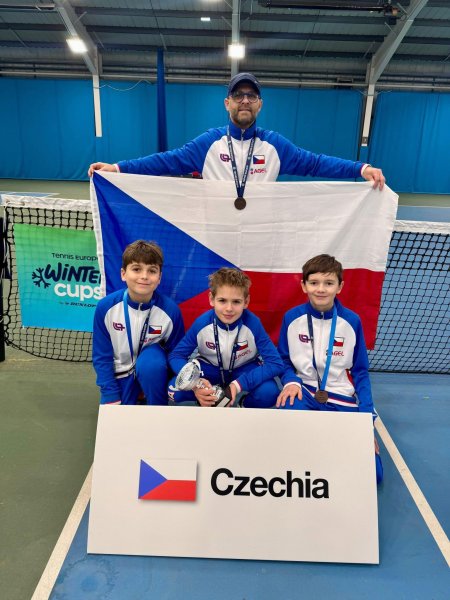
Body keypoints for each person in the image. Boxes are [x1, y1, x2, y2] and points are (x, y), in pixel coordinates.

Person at [88, 72, 385, 191]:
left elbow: (316, 164)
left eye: (251, 96)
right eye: (238, 95)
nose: (245, 100)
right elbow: (165, 161)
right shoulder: (208, 142)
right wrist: (117, 168)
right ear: (227, 103)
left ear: (260, 105)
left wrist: (361, 168)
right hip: (213, 237)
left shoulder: (275, 146)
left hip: (258, 236)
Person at [276, 254, 383, 483]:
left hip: (340, 395)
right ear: (304, 285)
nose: (321, 289)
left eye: (329, 283)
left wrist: (366, 421)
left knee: (373, 475)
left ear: (340, 287)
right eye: (314, 282)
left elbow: (360, 372)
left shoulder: (351, 321)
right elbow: (283, 360)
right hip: (303, 392)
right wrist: (291, 381)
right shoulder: (292, 318)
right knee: (288, 454)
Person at [168, 267, 283, 408]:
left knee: (269, 392)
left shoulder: (253, 324)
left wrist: (239, 384)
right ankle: (205, 399)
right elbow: (176, 356)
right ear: (212, 299)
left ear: (246, 302)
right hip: (209, 369)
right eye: (222, 300)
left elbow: (275, 363)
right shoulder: (202, 323)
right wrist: (196, 383)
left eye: (236, 302)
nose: (229, 308)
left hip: (243, 369)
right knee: (173, 390)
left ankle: (243, 404)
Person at [92, 240, 184, 405]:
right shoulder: (106, 307)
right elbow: (101, 356)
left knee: (151, 362)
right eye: (136, 269)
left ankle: (156, 404)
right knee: (118, 418)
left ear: (159, 277)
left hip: (154, 376)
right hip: (120, 377)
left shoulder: (170, 311)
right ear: (123, 274)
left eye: (152, 271)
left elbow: (176, 354)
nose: (144, 276)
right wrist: (110, 392)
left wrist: (169, 384)